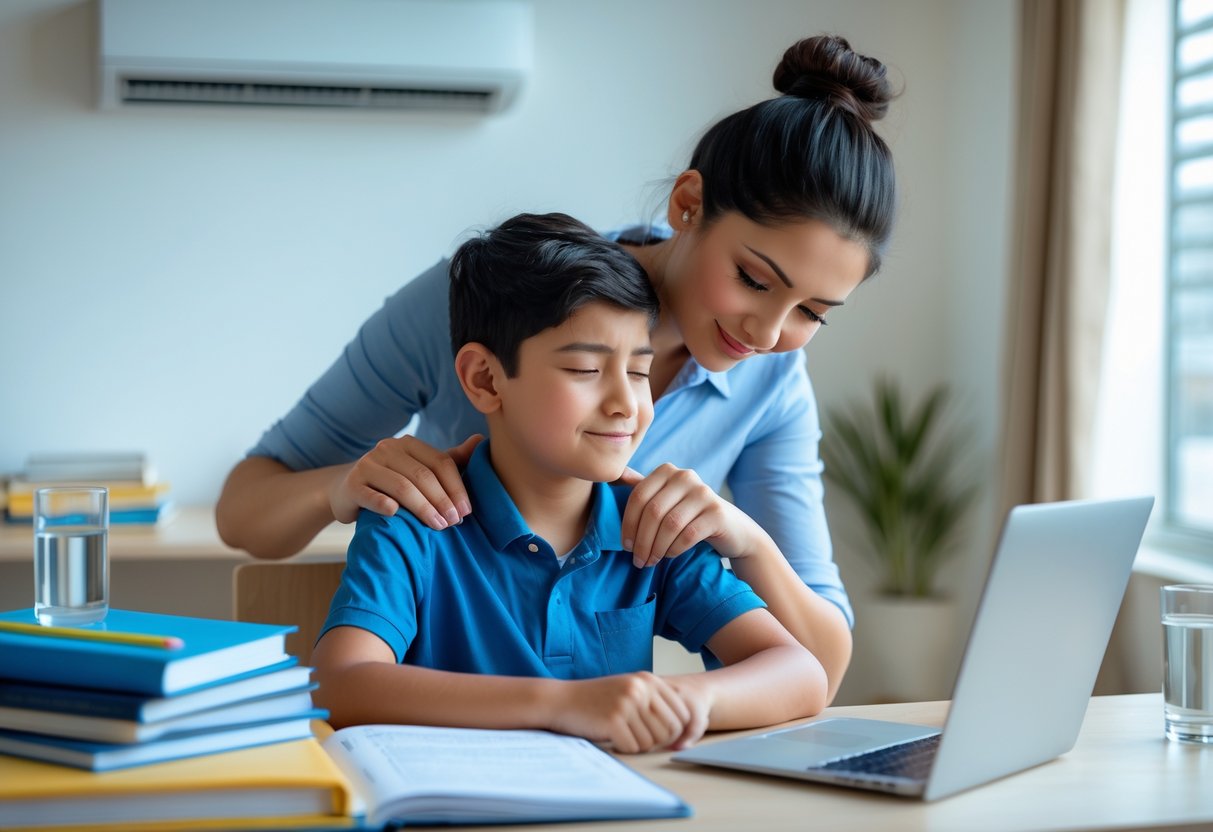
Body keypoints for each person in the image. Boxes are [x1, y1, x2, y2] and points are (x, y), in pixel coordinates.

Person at [217, 34, 897, 703]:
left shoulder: (770, 380)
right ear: (687, 205)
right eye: (753, 278)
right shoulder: (486, 297)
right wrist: (346, 486)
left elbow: (819, 669)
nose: (770, 332)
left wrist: (743, 538)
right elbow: (243, 516)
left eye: (814, 311)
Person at [310, 213, 828, 751]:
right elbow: (339, 682)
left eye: (638, 371)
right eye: (585, 370)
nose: (626, 403)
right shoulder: (416, 519)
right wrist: (563, 706)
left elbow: (801, 675)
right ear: (485, 379)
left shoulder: (649, 525)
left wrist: (681, 702)